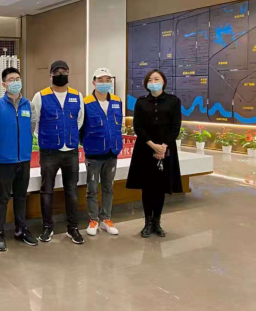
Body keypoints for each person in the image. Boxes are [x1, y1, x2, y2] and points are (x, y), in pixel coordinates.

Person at [32, 60, 85, 245]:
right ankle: (47, 227)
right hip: (49, 152)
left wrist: (67, 136)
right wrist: (48, 138)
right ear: (51, 75)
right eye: (56, 72)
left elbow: (79, 121)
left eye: (64, 71)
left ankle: (73, 228)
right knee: (46, 190)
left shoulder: (77, 96)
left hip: (71, 151)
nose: (60, 74)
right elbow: (35, 123)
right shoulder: (40, 96)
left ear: (69, 73)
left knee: (72, 191)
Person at [126, 69, 182, 238]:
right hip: (145, 148)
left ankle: (157, 222)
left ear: (163, 81)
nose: (153, 82)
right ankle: (147, 222)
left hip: (166, 149)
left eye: (156, 79)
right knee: (147, 187)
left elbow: (175, 127)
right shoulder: (141, 102)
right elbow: (138, 127)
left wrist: (163, 147)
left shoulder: (173, 101)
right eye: (150, 80)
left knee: (160, 187)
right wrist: (152, 145)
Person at [0, 67, 38, 251]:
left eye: (17, 78)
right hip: (4, 161)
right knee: (2, 198)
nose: (15, 82)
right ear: (4, 84)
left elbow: (31, 128)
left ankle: (21, 229)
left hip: (24, 159)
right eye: (11, 79)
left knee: (21, 196)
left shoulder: (29, 105)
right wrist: (0, 150)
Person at [80, 68, 122, 237]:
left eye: (108, 80)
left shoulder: (117, 101)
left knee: (108, 187)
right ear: (94, 82)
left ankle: (106, 219)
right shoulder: (86, 102)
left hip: (112, 152)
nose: (105, 83)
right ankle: (93, 219)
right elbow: (80, 128)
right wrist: (89, 144)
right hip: (94, 154)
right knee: (92, 189)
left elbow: (117, 126)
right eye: (101, 80)